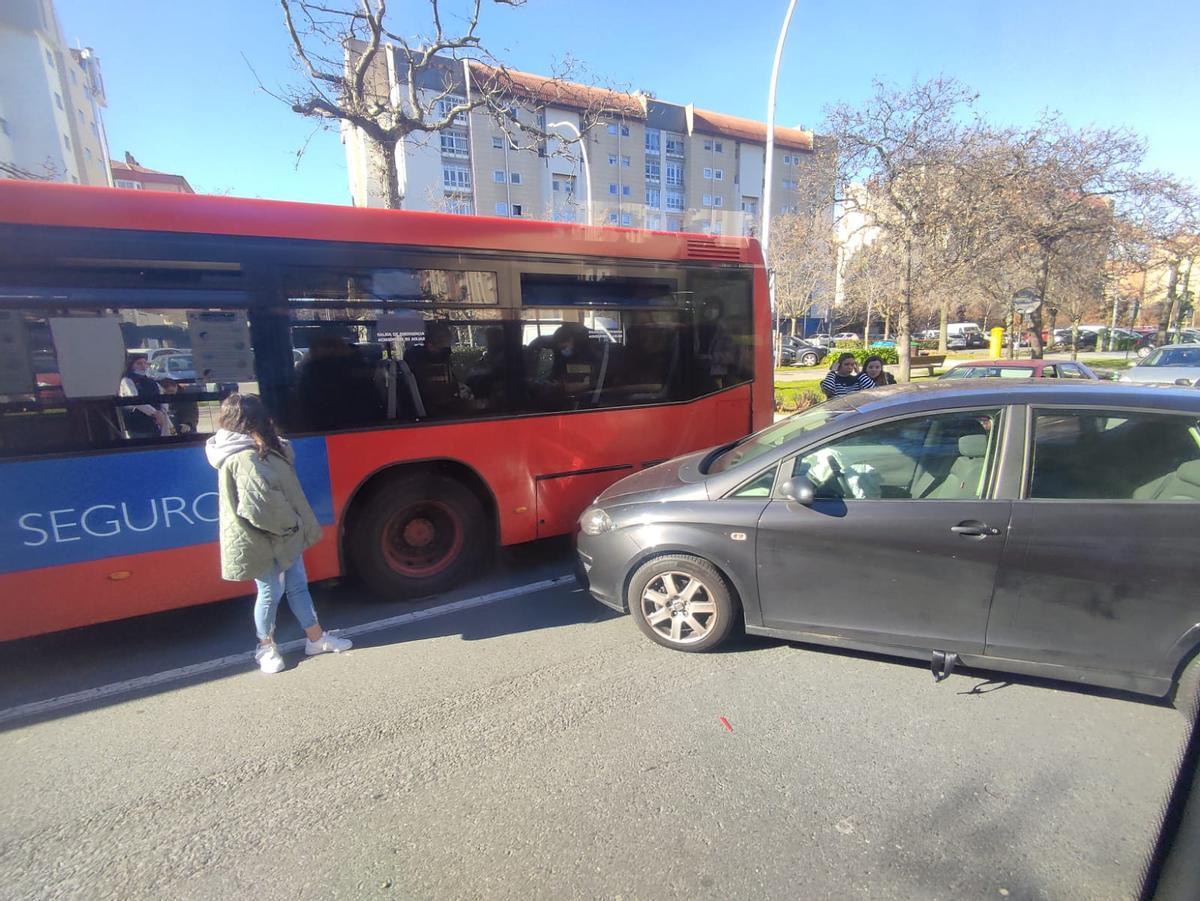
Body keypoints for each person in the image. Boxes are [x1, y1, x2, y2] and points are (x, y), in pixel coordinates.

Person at [205, 393, 351, 673]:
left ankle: (315, 638)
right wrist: (292, 525)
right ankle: (266, 647)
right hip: (265, 537)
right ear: (255, 419)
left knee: (295, 586)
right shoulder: (245, 456)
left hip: (280, 535)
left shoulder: (257, 448)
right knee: (270, 591)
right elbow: (259, 507)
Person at [118, 354, 169, 438]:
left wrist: (162, 412)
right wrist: (155, 413)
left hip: (157, 423)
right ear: (131, 365)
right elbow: (134, 400)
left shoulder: (152, 381)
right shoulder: (127, 380)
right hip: (138, 424)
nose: (143, 366)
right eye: (139, 363)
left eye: (145, 363)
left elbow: (162, 397)